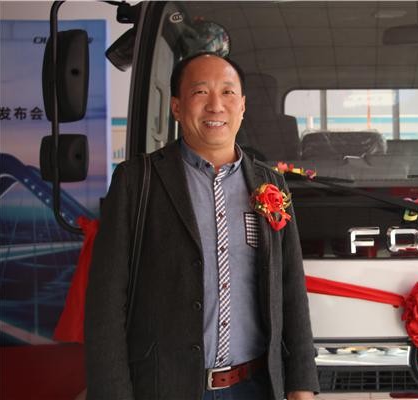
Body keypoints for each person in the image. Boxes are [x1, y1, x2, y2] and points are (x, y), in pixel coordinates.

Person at [84, 52, 319, 400]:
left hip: (253, 387)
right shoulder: (137, 181)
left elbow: (291, 287)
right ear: (177, 107)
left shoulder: (271, 185)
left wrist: (301, 384)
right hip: (164, 387)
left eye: (227, 92)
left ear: (242, 106)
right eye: (200, 92)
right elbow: (105, 301)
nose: (216, 106)